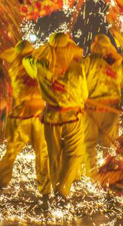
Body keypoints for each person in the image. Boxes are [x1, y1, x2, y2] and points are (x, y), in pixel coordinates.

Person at [23, 32, 88, 199]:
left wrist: (44, 60)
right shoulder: (76, 67)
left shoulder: (40, 65)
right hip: (72, 116)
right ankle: (62, 189)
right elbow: (84, 95)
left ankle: (55, 187)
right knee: (74, 154)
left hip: (52, 117)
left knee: (54, 155)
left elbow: (26, 61)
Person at [0, 39, 49, 196]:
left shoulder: (15, 66)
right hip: (36, 114)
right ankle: (45, 190)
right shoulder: (34, 64)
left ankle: (0, 184)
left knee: (12, 151)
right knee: (42, 152)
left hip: (23, 113)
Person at [81, 34, 123, 176]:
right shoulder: (117, 65)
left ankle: (92, 173)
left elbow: (79, 80)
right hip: (112, 109)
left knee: (89, 142)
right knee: (109, 144)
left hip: (92, 107)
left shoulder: (89, 61)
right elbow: (121, 84)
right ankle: (110, 172)